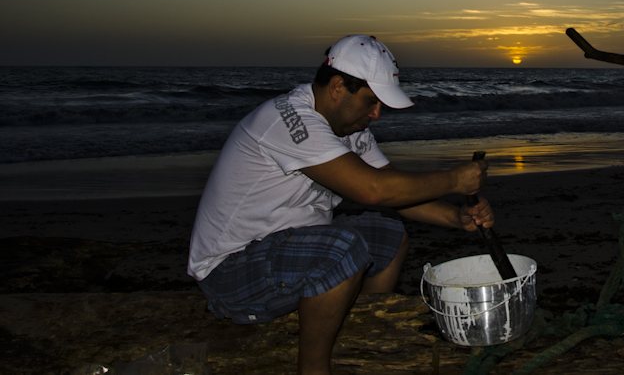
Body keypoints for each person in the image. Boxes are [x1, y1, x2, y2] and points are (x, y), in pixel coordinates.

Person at [187, 34, 492, 375]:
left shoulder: (348, 128)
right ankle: (314, 369)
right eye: (371, 102)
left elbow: (396, 193)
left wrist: (457, 216)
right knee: (342, 249)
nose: (377, 114)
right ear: (336, 87)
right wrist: (453, 180)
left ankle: (358, 330)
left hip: (288, 251)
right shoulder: (289, 119)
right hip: (229, 272)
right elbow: (373, 190)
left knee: (389, 234)